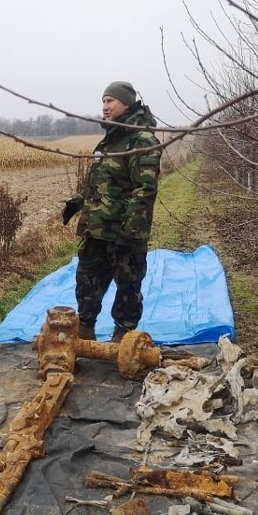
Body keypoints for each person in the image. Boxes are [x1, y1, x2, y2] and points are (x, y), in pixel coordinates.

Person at [62, 81, 161, 342]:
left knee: (128, 287)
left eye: (110, 101)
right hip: (97, 230)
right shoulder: (110, 140)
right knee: (87, 283)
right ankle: (85, 333)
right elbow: (103, 185)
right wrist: (78, 201)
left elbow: (144, 191)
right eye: (103, 101)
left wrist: (129, 233)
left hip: (125, 233)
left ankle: (123, 338)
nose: (104, 107)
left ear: (126, 104)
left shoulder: (142, 140)